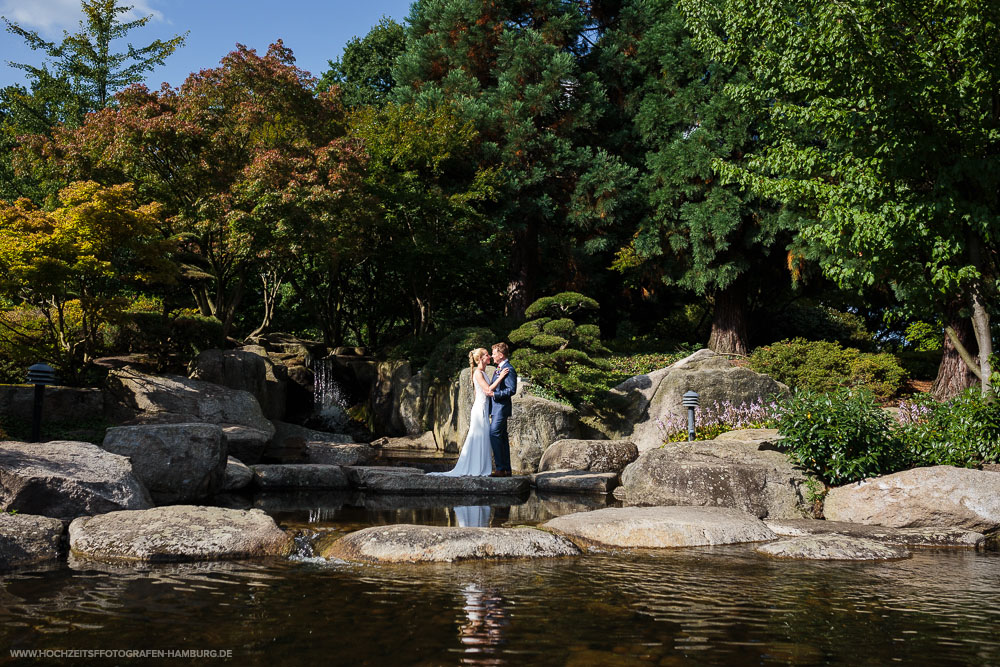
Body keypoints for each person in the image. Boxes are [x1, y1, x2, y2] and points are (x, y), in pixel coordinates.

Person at [430, 348, 509, 477]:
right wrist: (500, 377)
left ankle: (482, 467)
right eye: (487, 355)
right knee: (478, 437)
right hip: (479, 410)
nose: (490, 356)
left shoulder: (483, 373)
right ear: (482, 358)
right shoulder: (478, 373)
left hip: (483, 408)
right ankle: (476, 467)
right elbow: (487, 389)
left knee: (483, 438)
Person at [487, 342, 517, 477]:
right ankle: (506, 469)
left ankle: (500, 469)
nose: (492, 356)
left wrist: (495, 395)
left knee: (494, 434)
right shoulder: (499, 368)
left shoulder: (509, 369)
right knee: (502, 437)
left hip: (501, 407)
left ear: (500, 354)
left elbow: (512, 390)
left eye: (493, 354)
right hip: (497, 408)